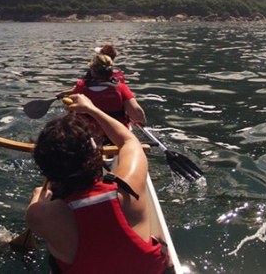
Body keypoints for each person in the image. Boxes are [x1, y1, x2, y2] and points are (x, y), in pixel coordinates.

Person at [26, 94, 172, 274]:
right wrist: (91, 109)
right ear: (95, 153)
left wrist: (38, 195)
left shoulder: (39, 214)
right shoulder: (128, 187)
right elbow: (128, 140)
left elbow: (39, 202)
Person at [70, 52, 146, 128]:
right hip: (117, 132)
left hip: (88, 131)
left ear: (92, 70)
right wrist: (142, 123)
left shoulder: (81, 86)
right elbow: (137, 112)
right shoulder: (121, 87)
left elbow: (71, 109)